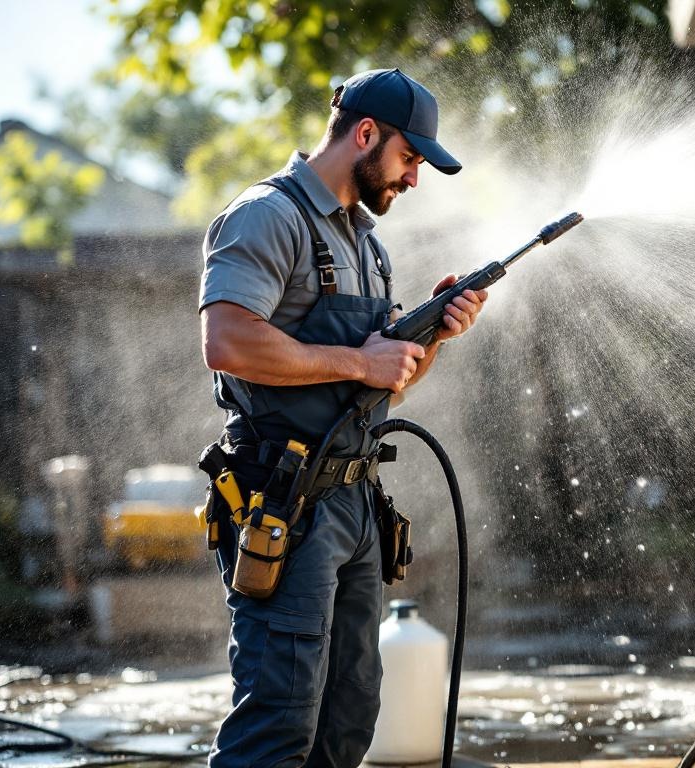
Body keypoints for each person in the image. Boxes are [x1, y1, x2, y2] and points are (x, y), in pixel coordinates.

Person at [198, 67, 488, 767]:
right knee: (279, 719)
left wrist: (433, 340)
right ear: (365, 133)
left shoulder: (368, 245)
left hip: (355, 504)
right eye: (410, 157)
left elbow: (381, 391)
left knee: (349, 715)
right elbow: (227, 341)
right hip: (285, 503)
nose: (414, 177)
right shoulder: (268, 216)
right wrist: (360, 361)